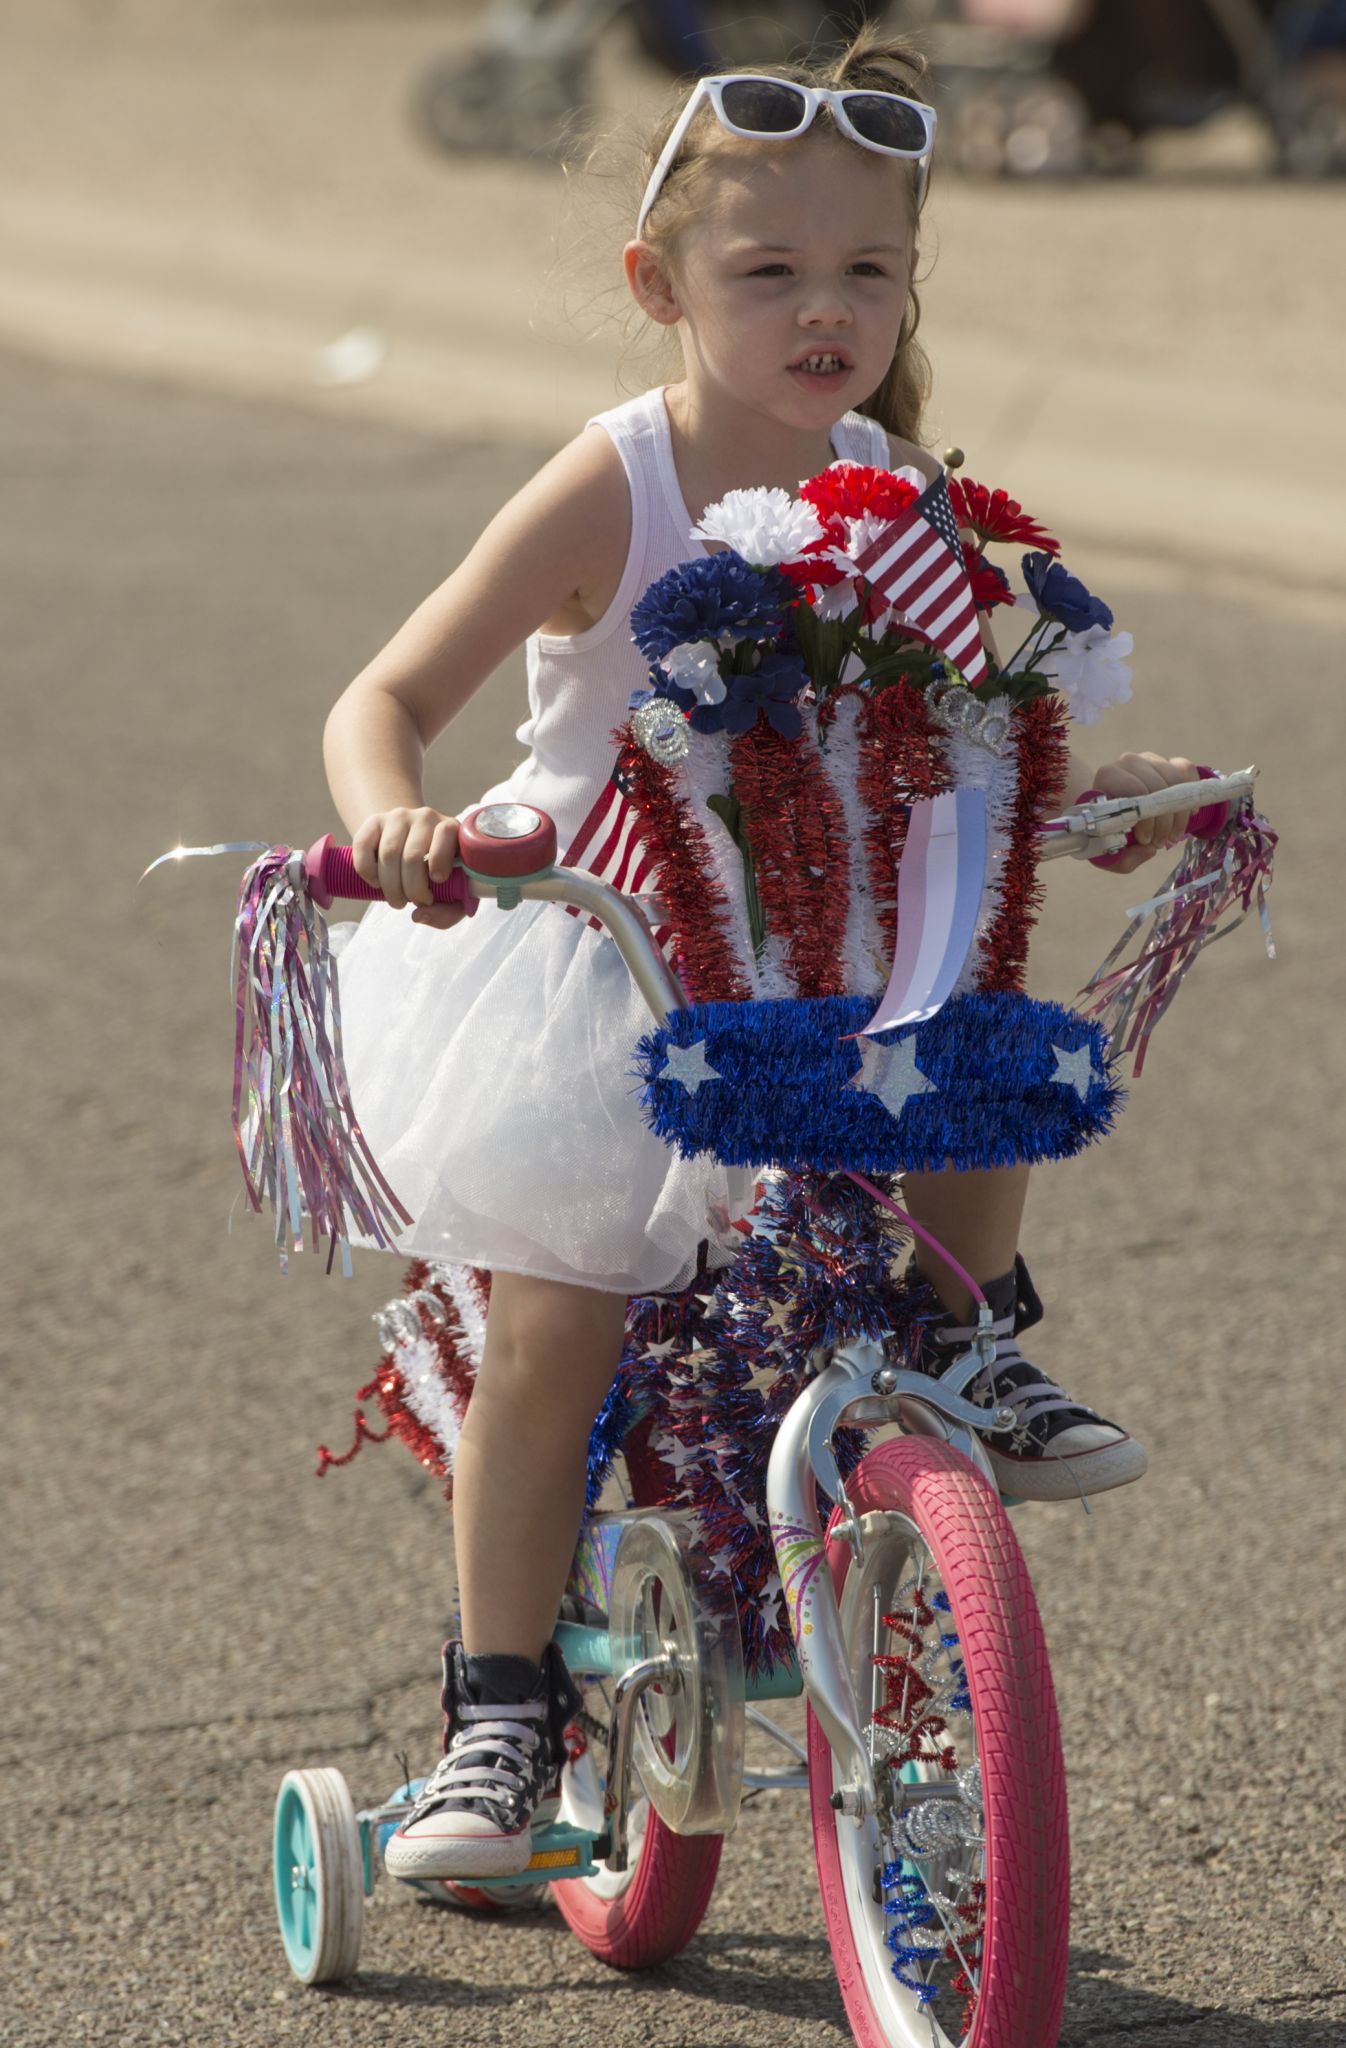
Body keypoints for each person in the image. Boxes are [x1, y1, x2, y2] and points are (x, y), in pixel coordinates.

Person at [321, 25, 1200, 1882]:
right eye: (771, 271)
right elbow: (384, 694)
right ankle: (495, 1707)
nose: (829, 310)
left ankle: (964, 1355)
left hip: (827, 941)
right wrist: (397, 814)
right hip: (608, 958)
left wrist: (1092, 791)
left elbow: (964, 734)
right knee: (556, 1318)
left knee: (986, 1037)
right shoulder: (612, 484)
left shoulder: (902, 488)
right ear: (661, 286)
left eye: (867, 270)